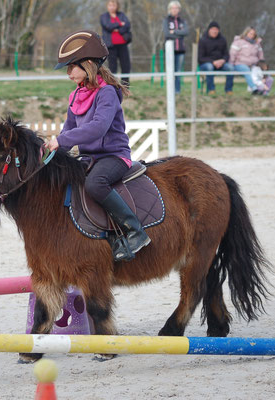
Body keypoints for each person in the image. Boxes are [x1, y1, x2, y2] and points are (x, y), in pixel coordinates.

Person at [47, 30, 150, 262]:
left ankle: (135, 231)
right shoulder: (76, 96)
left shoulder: (107, 93)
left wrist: (62, 140)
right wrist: (51, 153)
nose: (68, 73)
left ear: (88, 65)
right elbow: (68, 131)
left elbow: (98, 128)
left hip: (114, 157)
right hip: (89, 158)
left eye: (72, 66)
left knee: (95, 184)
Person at [100, 0, 132, 86]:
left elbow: (127, 25)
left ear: (117, 6)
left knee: (126, 66)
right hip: (111, 46)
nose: (112, 7)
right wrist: (120, 24)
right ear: (107, 6)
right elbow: (108, 26)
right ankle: (113, 86)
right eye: (110, 5)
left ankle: (125, 86)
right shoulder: (104, 16)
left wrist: (117, 28)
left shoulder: (121, 15)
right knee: (112, 67)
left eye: (114, 5)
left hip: (123, 45)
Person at [198, 21, 234, 94]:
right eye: (213, 29)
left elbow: (226, 54)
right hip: (206, 64)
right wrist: (213, 62)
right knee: (209, 67)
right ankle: (211, 90)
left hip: (221, 63)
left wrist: (223, 60)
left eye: (216, 29)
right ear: (209, 30)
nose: (214, 31)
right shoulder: (203, 40)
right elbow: (200, 58)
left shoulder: (223, 40)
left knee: (231, 68)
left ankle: (228, 90)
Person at [163, 1, 189, 94]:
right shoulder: (166, 20)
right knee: (170, 70)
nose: (174, 10)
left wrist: (173, 32)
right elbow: (166, 34)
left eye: (176, 8)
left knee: (178, 71)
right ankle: (170, 90)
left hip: (180, 50)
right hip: (170, 50)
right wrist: (179, 34)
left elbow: (186, 32)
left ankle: (177, 91)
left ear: (179, 9)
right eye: (173, 8)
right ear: (169, 9)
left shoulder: (182, 21)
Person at [230, 27, 264, 94]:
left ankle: (263, 90)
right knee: (247, 71)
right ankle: (254, 89)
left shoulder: (257, 43)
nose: (252, 35)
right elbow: (232, 53)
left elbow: (260, 54)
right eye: (250, 33)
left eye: (253, 34)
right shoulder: (238, 42)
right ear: (246, 33)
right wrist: (231, 64)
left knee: (259, 72)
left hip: (253, 64)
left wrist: (262, 63)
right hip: (240, 64)